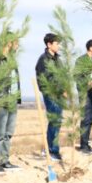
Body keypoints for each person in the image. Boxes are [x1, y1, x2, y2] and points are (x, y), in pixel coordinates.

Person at [0, 35, 21, 172]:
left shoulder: (12, 60)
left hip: (12, 99)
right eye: (16, 43)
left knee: (8, 132)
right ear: (9, 43)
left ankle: (5, 160)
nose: (18, 46)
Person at [35, 33, 63, 162]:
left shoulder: (57, 59)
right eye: (56, 43)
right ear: (49, 44)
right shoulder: (43, 60)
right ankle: (52, 150)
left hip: (59, 94)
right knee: (54, 121)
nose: (59, 46)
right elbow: (43, 80)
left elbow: (62, 76)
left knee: (57, 121)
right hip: (51, 94)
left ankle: (49, 149)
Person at [76, 39, 92, 153]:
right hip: (84, 92)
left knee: (91, 119)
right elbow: (77, 76)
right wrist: (90, 83)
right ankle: (83, 146)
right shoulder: (81, 60)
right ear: (91, 48)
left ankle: (86, 144)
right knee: (85, 118)